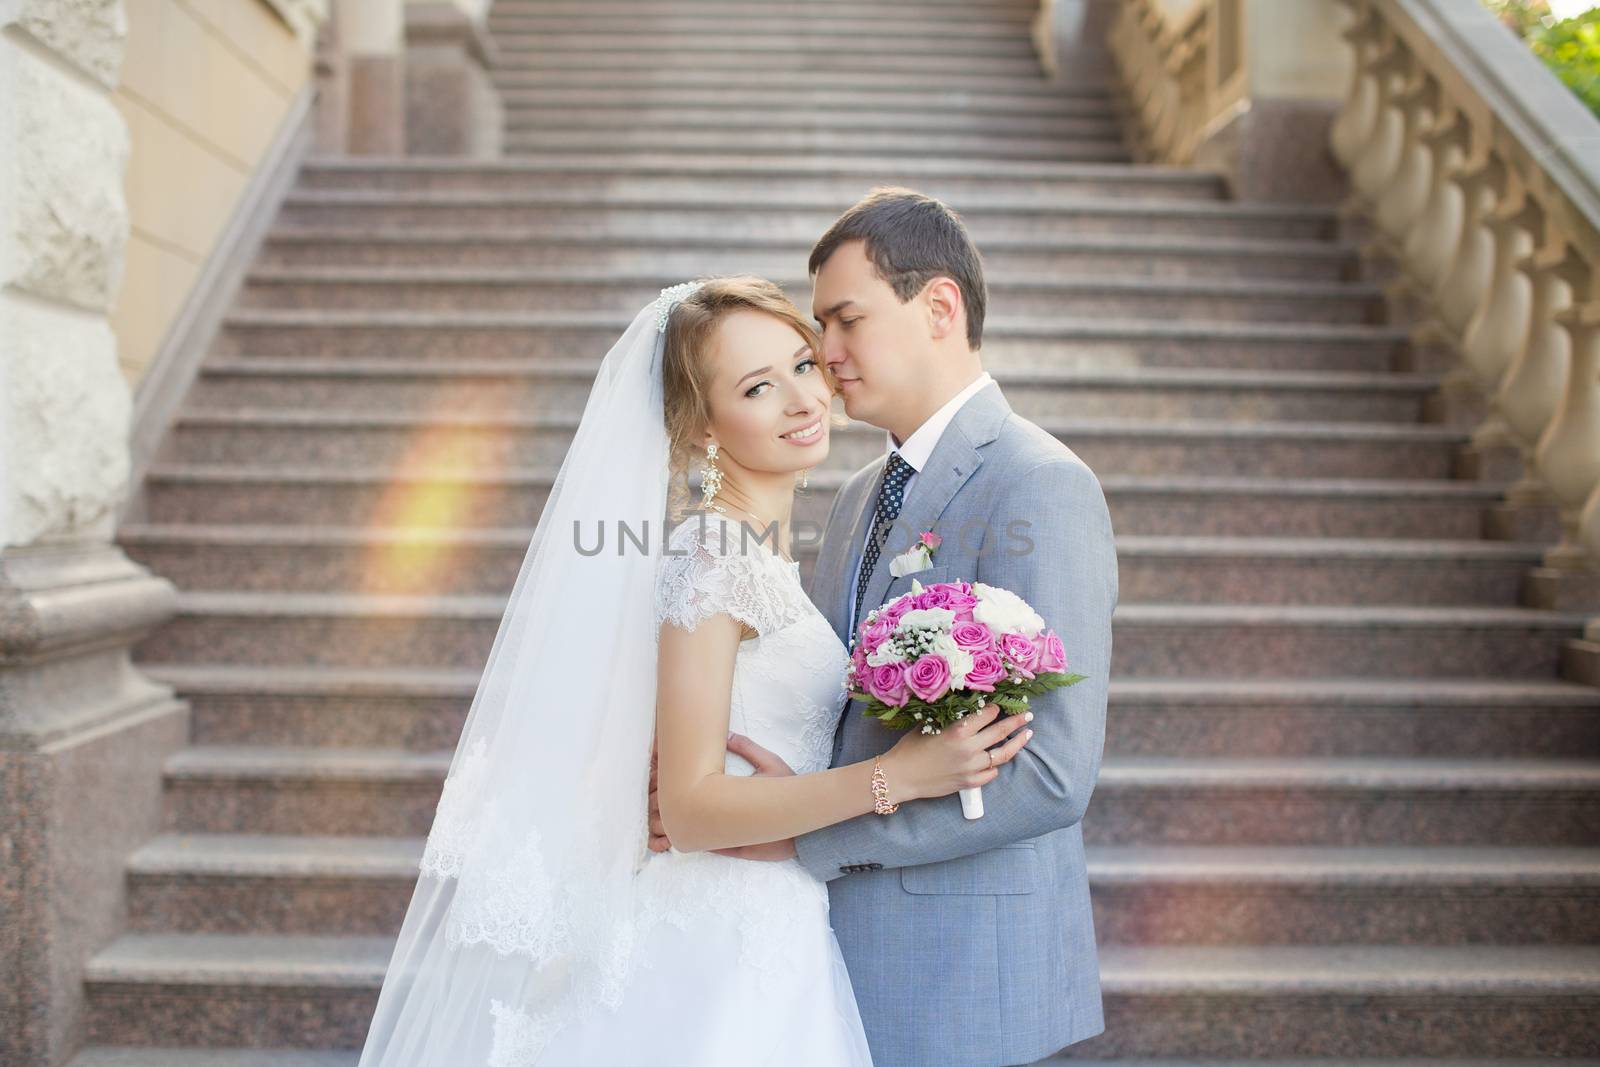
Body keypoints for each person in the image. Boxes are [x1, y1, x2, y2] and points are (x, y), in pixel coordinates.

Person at [355, 274, 1034, 1066]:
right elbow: (690, 806)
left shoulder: (767, 552)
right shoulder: (713, 559)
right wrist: (897, 777)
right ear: (703, 428)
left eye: (802, 365)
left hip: (770, 922)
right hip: (720, 933)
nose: (800, 398)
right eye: (756, 387)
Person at [649, 188, 1119, 1067]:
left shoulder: (1039, 484)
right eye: (816, 330)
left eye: (844, 321)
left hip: (962, 971)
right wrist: (705, 788)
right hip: (825, 959)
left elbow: (1052, 774)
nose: (825, 358)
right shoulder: (860, 496)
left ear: (939, 306)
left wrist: (805, 832)